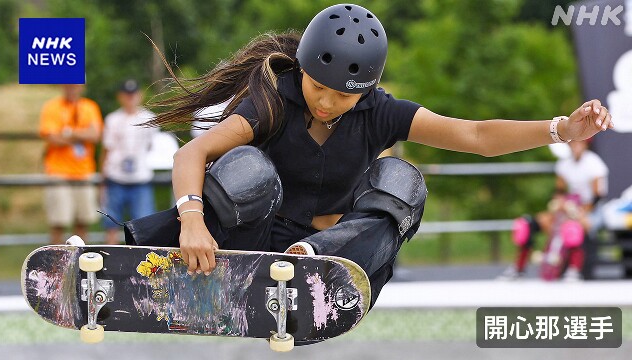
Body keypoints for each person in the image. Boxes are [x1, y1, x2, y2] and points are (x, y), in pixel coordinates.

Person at [123, 4, 613, 317]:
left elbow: (476, 135)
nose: (327, 103)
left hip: (334, 255)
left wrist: (562, 129)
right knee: (246, 165)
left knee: (402, 180)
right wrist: (190, 219)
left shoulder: (381, 113)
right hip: (251, 241)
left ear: (367, 91)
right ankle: (221, 265)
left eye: (344, 96)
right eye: (318, 87)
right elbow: (194, 151)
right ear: (305, 70)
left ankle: (315, 269)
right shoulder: (274, 98)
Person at [501, 138, 609, 281]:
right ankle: (519, 267)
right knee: (525, 225)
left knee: (573, 228)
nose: (576, 147)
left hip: (591, 209)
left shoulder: (594, 164)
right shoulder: (564, 164)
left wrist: (579, 212)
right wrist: (558, 205)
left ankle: (574, 270)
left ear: (585, 145)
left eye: (579, 143)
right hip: (569, 206)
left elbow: (598, 196)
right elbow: (559, 191)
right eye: (573, 143)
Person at [39, 84, 103, 244]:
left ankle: (78, 264)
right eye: (69, 85)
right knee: (58, 222)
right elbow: (52, 138)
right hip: (58, 172)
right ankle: (55, 266)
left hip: (84, 172)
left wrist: (68, 132)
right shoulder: (52, 107)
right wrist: (82, 133)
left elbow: (95, 135)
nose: (72, 88)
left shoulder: (90, 107)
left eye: (75, 85)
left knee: (83, 221)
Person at [101, 79, 160, 244]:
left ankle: (142, 264)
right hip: (116, 177)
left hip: (140, 178)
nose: (130, 98)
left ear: (139, 95)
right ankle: (110, 261)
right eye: (127, 95)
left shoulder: (150, 119)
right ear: (120, 97)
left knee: (145, 225)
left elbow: (153, 147)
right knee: (111, 223)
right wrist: (103, 178)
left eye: (133, 95)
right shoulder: (113, 119)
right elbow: (107, 149)